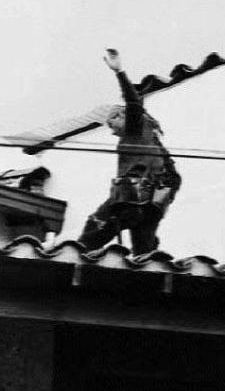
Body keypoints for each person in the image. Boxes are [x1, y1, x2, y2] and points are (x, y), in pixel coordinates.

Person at [77, 48, 181, 256]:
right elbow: (174, 177)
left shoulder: (135, 128)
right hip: (152, 204)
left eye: (112, 121)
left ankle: (73, 256)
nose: (111, 128)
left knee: (94, 228)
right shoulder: (153, 139)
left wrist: (119, 72)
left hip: (131, 198)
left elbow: (133, 103)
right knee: (143, 252)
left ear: (122, 116)